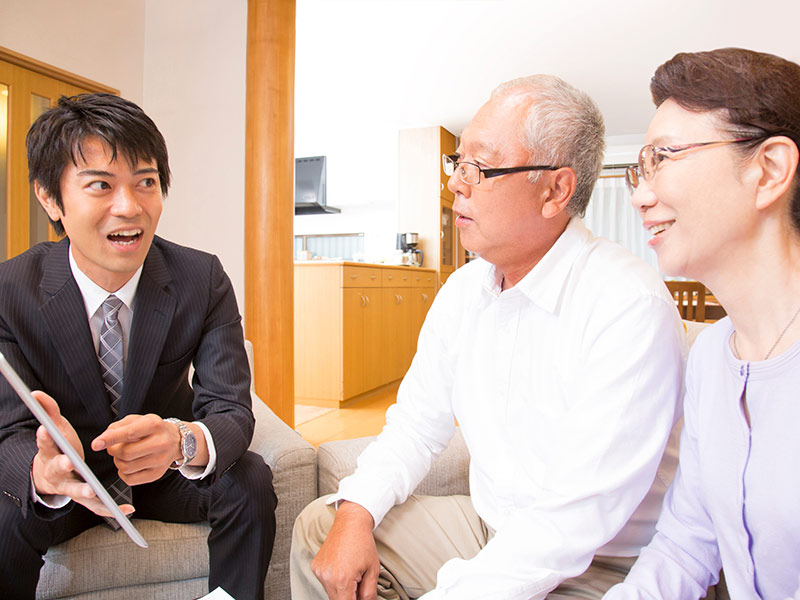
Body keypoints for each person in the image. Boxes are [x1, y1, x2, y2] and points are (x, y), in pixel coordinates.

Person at [291, 75, 686, 600]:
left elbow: (571, 522)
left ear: (555, 191)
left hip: (598, 563)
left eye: (479, 167)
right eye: (457, 163)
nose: (456, 183)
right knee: (323, 527)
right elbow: (415, 425)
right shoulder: (463, 290)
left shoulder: (627, 304)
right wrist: (356, 512)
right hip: (489, 529)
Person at [0, 93, 277, 599]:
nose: (129, 207)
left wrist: (181, 441)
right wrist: (44, 472)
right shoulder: (10, 290)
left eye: (145, 182)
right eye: (100, 185)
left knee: (250, 480)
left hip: (163, 471)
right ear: (50, 198)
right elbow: (7, 429)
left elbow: (231, 409)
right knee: (6, 501)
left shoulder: (201, 278)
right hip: (68, 479)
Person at [604, 47, 800, 599]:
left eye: (663, 158)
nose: (641, 196)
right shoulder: (713, 355)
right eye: (640, 170)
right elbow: (687, 542)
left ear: (769, 170)